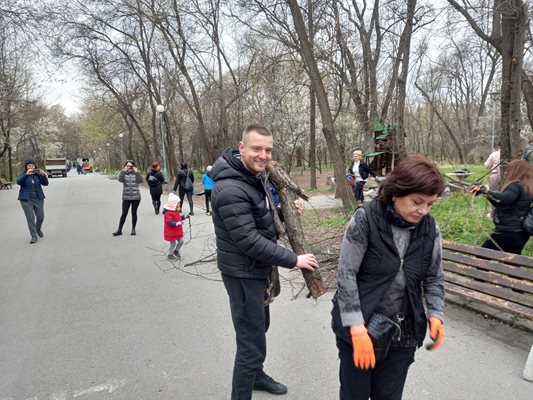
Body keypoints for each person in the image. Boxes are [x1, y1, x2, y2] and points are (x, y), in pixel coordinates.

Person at [211, 124, 318, 400]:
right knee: (250, 343)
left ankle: (256, 376)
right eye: (257, 148)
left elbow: (260, 218)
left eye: (268, 149)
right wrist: (294, 259)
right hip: (243, 275)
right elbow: (248, 240)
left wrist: (283, 211)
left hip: (258, 272)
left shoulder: (251, 177)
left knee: (260, 329)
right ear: (241, 147)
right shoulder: (230, 188)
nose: (263, 155)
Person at [331, 156, 445, 400]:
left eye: (430, 204)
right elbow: (346, 274)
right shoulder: (366, 219)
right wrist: (357, 328)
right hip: (361, 325)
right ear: (396, 192)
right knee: (355, 395)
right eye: (417, 202)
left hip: (402, 332)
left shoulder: (430, 229)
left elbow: (434, 276)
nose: (423, 211)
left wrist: (435, 313)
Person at [471, 159, 533, 255]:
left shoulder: (515, 186)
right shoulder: (528, 187)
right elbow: (502, 203)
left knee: (482, 256)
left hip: (508, 232)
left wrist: (485, 191)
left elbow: (504, 199)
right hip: (522, 233)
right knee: (513, 262)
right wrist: (484, 193)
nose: (506, 172)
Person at [17, 159, 49, 244]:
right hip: (26, 200)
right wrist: (26, 175)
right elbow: (18, 181)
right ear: (26, 167)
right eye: (29, 166)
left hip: (38, 198)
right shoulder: (23, 174)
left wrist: (43, 175)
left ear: (35, 166)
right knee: (30, 218)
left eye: (32, 165)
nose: (31, 167)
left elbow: (45, 183)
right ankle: (33, 236)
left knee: (40, 217)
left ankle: (38, 229)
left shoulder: (38, 174)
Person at [112, 160, 143, 236]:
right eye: (128, 166)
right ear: (125, 166)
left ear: (133, 167)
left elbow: (140, 181)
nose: (129, 167)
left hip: (136, 197)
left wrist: (137, 172)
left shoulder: (136, 174)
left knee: (134, 213)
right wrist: (123, 171)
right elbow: (120, 180)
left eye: (131, 166)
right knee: (124, 213)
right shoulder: (124, 174)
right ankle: (119, 230)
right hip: (126, 197)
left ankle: (133, 229)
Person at [162, 193, 189, 260]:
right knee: (173, 243)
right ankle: (170, 254)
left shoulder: (176, 211)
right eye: (178, 204)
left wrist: (184, 217)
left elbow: (178, 218)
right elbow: (169, 222)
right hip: (171, 231)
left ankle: (176, 251)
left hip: (177, 231)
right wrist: (177, 223)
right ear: (174, 205)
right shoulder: (168, 213)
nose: (179, 205)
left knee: (181, 241)